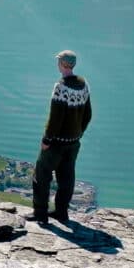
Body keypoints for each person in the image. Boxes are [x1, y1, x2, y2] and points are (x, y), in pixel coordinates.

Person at [31, 49, 91, 224]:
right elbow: (88, 114)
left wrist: (47, 139)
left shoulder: (61, 87)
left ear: (62, 65)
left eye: (58, 61)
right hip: (74, 142)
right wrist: (78, 132)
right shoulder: (83, 84)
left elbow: (55, 118)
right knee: (67, 177)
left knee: (41, 175)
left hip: (56, 142)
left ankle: (40, 214)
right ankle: (61, 212)